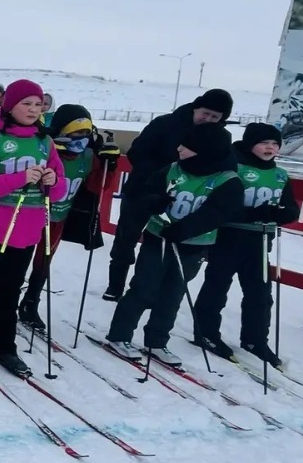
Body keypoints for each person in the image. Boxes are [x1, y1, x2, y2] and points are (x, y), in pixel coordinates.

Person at [103, 122, 244, 368]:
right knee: (143, 288)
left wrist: (185, 229)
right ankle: (119, 335)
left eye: (187, 146)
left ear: (204, 149)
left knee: (173, 293)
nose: (179, 148)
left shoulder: (226, 180)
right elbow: (144, 193)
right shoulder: (172, 170)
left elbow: (218, 212)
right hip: (158, 240)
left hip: (192, 246)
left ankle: (157, 340)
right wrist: (154, 201)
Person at [0, 79, 69, 377]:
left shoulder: (45, 141)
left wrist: (52, 182)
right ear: (10, 106)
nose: (33, 109)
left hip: (26, 230)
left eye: (37, 104)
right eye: (26, 104)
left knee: (9, 291)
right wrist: (19, 178)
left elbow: (59, 189)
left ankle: (4, 346)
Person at [105, 88, 233, 300]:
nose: (207, 119)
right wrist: (160, 178)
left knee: (161, 244)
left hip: (181, 201)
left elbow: (225, 167)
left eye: (215, 117)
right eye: (205, 113)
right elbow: (138, 151)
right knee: (125, 239)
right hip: (142, 191)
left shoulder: (220, 137)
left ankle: (147, 289)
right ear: (196, 107)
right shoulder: (165, 123)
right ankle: (115, 284)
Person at [191, 123, 299, 367]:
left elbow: (291, 206)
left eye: (274, 144)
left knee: (260, 295)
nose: (270, 148)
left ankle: (255, 340)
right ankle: (206, 332)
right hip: (230, 236)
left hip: (260, 240)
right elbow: (222, 204)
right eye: (264, 143)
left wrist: (283, 214)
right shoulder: (234, 166)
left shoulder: (280, 175)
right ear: (251, 144)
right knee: (217, 287)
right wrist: (254, 213)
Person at [17, 104, 101, 333]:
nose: (81, 140)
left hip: (59, 216)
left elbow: (97, 186)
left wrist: (108, 163)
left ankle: (30, 303)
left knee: (43, 262)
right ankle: (8, 297)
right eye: (76, 134)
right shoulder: (47, 149)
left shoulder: (87, 156)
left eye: (86, 134)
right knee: (20, 259)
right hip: (33, 213)